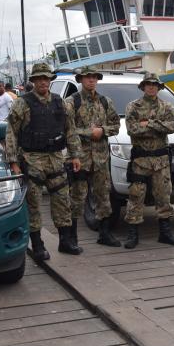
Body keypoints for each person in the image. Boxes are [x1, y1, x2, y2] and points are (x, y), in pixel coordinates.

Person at [5, 63, 84, 262]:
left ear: (50, 80)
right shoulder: (22, 103)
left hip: (56, 159)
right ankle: (38, 245)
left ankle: (65, 241)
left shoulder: (60, 103)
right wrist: (13, 161)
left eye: (46, 78)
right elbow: (11, 133)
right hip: (32, 160)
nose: (42, 82)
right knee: (34, 204)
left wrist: (75, 155)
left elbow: (70, 130)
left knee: (62, 201)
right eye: (38, 78)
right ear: (33, 81)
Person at [123, 72, 174, 249]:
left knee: (164, 196)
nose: (151, 87)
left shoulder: (167, 106)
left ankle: (165, 233)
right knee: (136, 196)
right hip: (140, 160)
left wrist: (147, 123)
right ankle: (133, 234)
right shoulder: (133, 106)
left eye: (154, 84)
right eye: (148, 84)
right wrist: (158, 126)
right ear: (143, 87)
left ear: (158, 87)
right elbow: (132, 129)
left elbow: (171, 127)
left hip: (161, 160)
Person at [66, 66, 121, 247]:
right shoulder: (71, 102)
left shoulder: (106, 102)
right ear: (81, 79)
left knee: (103, 195)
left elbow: (116, 125)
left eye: (94, 77)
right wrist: (90, 132)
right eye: (87, 77)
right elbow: (67, 128)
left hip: (100, 158)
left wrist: (103, 130)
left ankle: (104, 233)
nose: (91, 80)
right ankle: (71, 238)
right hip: (79, 158)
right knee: (77, 197)